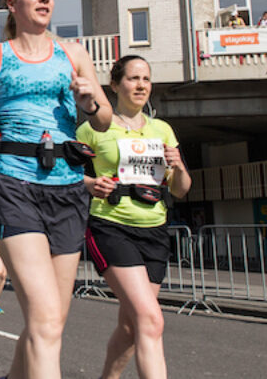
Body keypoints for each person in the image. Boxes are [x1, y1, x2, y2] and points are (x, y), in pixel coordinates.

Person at [0, 0, 112, 378]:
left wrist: (91, 103)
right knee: (43, 319)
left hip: (67, 188)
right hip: (14, 184)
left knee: (52, 321)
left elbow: (104, 120)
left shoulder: (73, 54)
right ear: (12, 3)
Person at [77, 55, 191, 379]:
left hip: (154, 230)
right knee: (151, 320)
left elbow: (181, 189)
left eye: (146, 79)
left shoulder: (162, 129)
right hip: (111, 227)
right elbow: (63, 174)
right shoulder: (93, 128)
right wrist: (90, 183)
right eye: (133, 78)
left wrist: (178, 166)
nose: (141, 85)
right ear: (115, 85)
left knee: (132, 325)